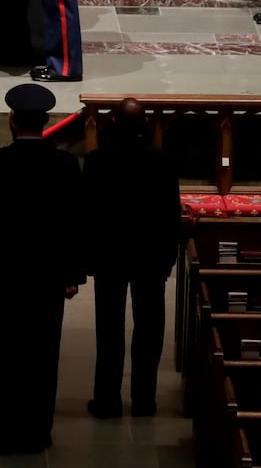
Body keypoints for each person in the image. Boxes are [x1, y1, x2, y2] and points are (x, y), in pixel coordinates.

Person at [0, 83, 85, 455]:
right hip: (48, 277)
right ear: (46, 122)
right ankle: (39, 431)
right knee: (43, 356)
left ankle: (11, 431)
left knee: (10, 356)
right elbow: (73, 224)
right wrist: (72, 275)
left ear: (12, 121)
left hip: (6, 277)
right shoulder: (66, 165)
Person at [83, 97, 181, 419]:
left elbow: (89, 215)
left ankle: (107, 400)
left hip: (110, 257)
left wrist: (89, 258)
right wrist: (168, 258)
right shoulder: (163, 161)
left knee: (109, 330)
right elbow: (170, 215)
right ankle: (144, 400)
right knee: (150, 330)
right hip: (150, 257)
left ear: (112, 123)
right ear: (146, 125)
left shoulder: (97, 161)